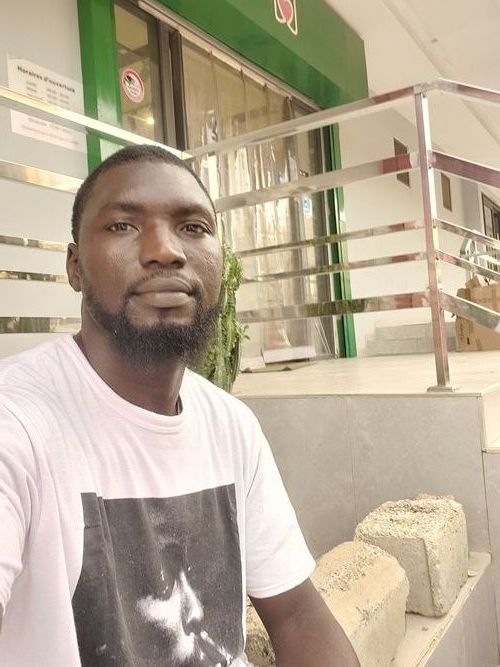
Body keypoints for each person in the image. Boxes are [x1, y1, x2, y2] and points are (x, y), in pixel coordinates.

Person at [0, 144, 359, 666]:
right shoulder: (17, 423)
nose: (166, 250)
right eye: (123, 225)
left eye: (192, 227)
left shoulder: (230, 424)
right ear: (75, 267)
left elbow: (298, 616)